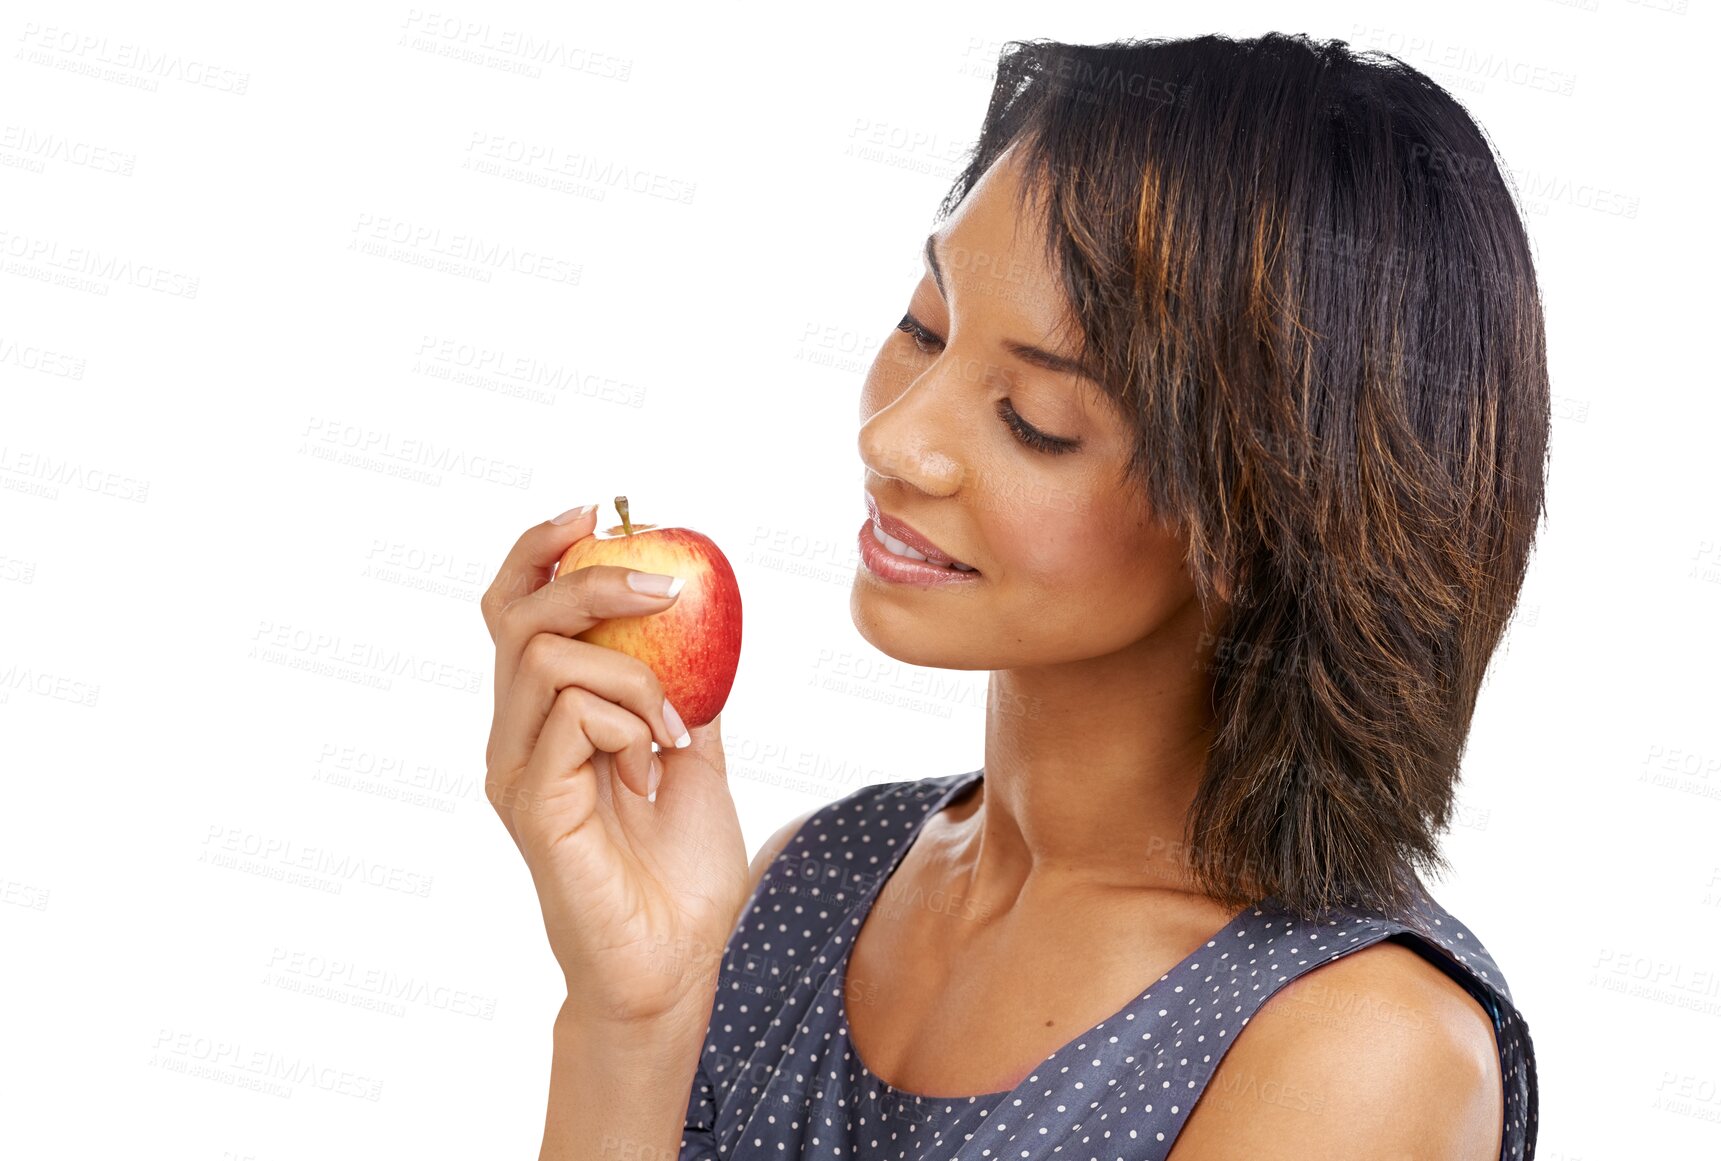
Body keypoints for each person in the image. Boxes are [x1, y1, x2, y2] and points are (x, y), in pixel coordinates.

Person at [480, 31, 1544, 1161]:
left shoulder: (1357, 1049)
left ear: (1263, 514)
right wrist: (631, 1018)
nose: (893, 439)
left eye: (1036, 417)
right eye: (921, 327)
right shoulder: (805, 881)